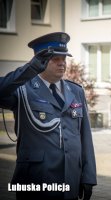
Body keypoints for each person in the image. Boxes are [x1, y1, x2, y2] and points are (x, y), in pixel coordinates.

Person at [0, 32, 97, 200]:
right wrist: (29, 69)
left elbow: (85, 136)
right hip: (36, 181)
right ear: (40, 61)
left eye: (64, 59)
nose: (62, 64)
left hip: (71, 180)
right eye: (55, 59)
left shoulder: (75, 91)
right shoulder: (22, 89)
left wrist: (88, 175)